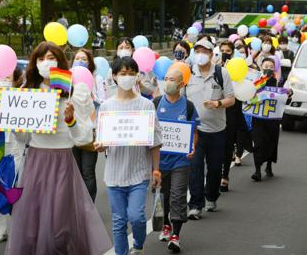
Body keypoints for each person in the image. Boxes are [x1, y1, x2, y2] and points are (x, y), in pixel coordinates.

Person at [5, 42, 111, 255]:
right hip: (35, 162)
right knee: (32, 226)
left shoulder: (74, 91)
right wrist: (15, 125)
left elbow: (82, 137)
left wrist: (71, 120)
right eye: (41, 59)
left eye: (51, 58)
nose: (46, 63)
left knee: (60, 227)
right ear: (34, 63)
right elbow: (23, 136)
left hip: (63, 161)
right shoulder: (28, 92)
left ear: (60, 61)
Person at [94, 57, 162, 255]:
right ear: (114, 76)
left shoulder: (146, 106)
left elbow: (155, 142)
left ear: (137, 76)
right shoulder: (106, 107)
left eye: (131, 73)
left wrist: (156, 170)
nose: (127, 77)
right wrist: (99, 146)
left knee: (137, 216)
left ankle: (139, 246)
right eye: (122, 74)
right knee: (118, 221)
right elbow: (101, 141)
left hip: (139, 173)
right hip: (114, 174)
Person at [185, 39, 235, 219]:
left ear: (211, 54)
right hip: (195, 131)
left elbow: (231, 98)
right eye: (197, 50)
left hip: (217, 130)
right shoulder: (188, 73)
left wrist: (217, 103)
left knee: (214, 168)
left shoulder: (222, 73)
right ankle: (195, 204)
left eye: (204, 51)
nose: (200, 54)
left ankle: (211, 196)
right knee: (195, 167)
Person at [154, 68, 199, 253]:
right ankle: (165, 224)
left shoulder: (188, 106)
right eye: (166, 79)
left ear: (181, 84)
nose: (168, 82)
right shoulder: (156, 103)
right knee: (163, 195)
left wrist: (193, 147)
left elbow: (194, 131)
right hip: (160, 160)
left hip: (180, 161)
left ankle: (176, 234)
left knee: (178, 195)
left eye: (172, 79)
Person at [0, 67, 24, 243]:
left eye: (8, 76)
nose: (4, 79)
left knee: (16, 189)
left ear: (16, 78)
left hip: (17, 149)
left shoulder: (24, 97)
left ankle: (18, 228)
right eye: (2, 76)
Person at [70, 49, 102, 202]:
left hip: (91, 131)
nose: (80, 61)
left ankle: (89, 205)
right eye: (77, 58)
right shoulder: (68, 78)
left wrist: (91, 97)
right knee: (74, 171)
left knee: (88, 171)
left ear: (89, 62)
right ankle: (77, 204)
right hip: (72, 130)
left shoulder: (97, 79)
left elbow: (102, 103)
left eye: (83, 58)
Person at [219, 41, 247, 192]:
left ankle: (225, 176)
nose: (225, 53)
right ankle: (215, 174)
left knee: (228, 143)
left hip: (232, 111)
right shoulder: (214, 69)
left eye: (228, 51)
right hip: (216, 112)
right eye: (222, 50)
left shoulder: (238, 69)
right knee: (216, 145)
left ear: (233, 53)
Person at [250, 58, 282, 181]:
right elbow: (250, 96)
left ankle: (269, 165)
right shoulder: (255, 81)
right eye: (266, 66)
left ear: (274, 69)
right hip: (258, 117)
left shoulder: (278, 82)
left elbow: (284, 98)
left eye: (271, 66)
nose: (268, 68)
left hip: (272, 119)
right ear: (261, 66)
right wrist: (261, 81)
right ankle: (257, 170)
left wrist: (289, 93)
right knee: (258, 143)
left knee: (271, 142)